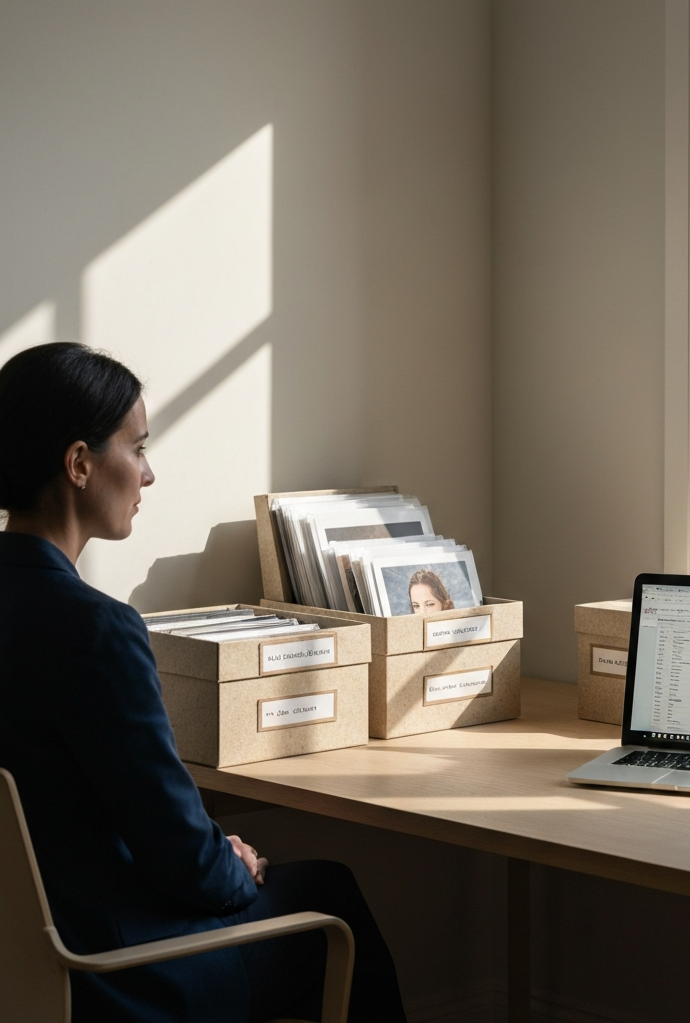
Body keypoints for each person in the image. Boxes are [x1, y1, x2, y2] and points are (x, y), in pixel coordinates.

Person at [0, 343, 406, 1023]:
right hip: (106, 972)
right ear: (79, 464)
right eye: (137, 448)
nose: (148, 475)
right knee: (330, 897)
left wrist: (210, 853)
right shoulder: (96, 631)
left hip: (15, 965)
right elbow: (182, 860)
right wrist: (231, 862)